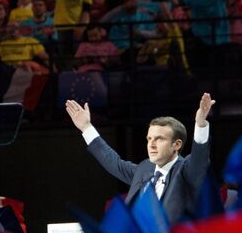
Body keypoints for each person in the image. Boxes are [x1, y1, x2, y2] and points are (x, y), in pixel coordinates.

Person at [66, 92, 215, 224]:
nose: (151, 144)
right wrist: (86, 128)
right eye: (149, 139)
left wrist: (201, 124)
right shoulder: (145, 168)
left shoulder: (186, 170)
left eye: (159, 139)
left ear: (176, 145)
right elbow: (113, 163)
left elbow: (200, 157)